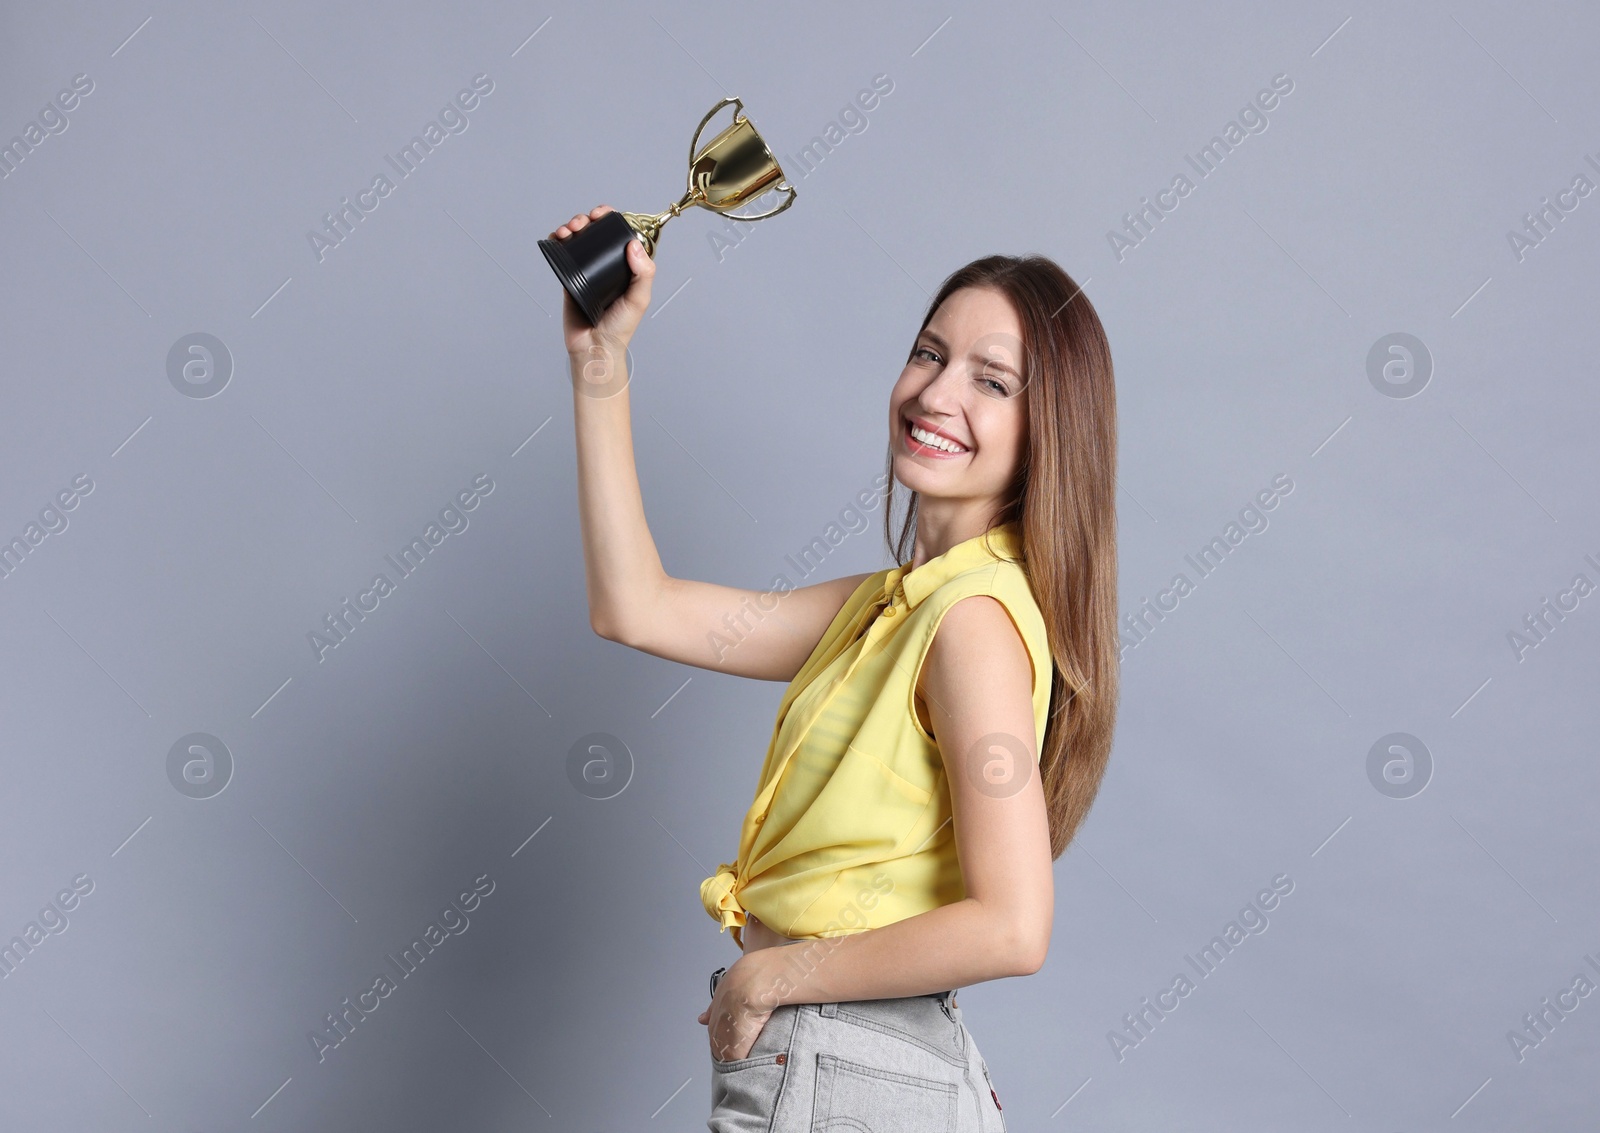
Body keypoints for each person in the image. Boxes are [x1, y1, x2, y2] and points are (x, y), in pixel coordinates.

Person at [548, 205, 1120, 1133]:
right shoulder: (894, 606)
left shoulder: (970, 622)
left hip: (844, 1064)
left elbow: (1014, 923)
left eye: (992, 381)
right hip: (852, 1063)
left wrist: (775, 970)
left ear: (1048, 429)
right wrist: (599, 362)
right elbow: (635, 605)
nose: (937, 395)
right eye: (929, 354)